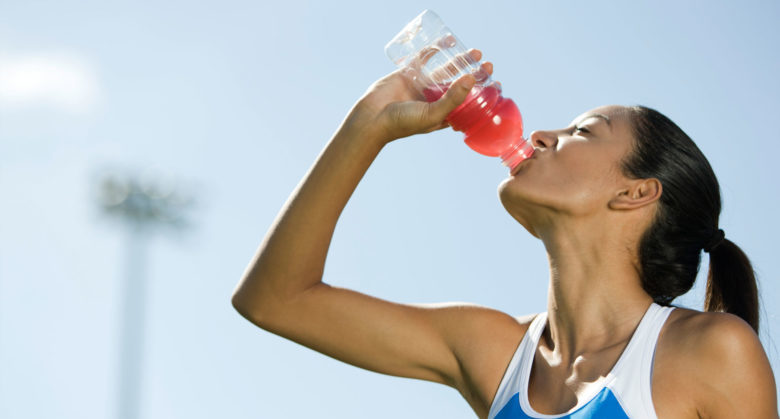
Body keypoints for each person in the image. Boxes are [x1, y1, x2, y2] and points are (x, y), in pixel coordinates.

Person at [231, 49, 779, 418]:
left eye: (582, 132)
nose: (540, 134)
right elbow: (275, 300)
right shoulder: (497, 353)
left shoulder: (711, 353)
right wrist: (370, 122)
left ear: (636, 193)